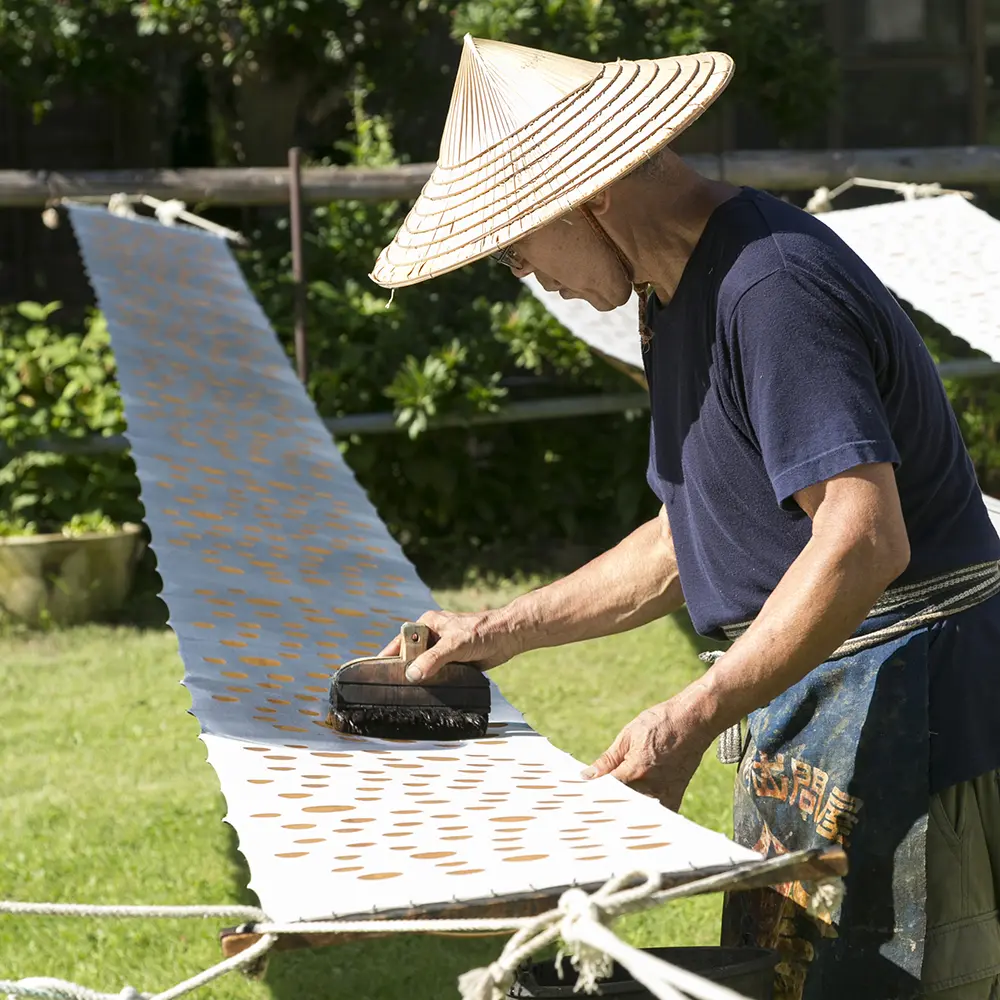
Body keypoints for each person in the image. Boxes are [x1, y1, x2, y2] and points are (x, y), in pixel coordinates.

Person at [370, 35, 1000, 1000]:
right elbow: (687, 535)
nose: (521, 271)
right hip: (809, 713)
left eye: (514, 243)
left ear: (587, 193)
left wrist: (693, 714)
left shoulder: (771, 286)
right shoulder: (675, 296)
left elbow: (863, 536)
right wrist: (499, 631)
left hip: (916, 725)